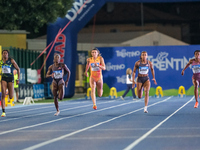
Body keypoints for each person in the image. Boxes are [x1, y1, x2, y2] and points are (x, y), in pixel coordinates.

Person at [0, 49, 20, 117]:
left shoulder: (11, 60)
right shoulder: (1, 62)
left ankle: (8, 91)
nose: (5, 54)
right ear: (2, 54)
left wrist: (18, 79)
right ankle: (3, 112)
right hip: (3, 79)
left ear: (8, 54)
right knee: (3, 95)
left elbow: (18, 69)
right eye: (3, 53)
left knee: (11, 96)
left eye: (6, 53)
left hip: (10, 79)